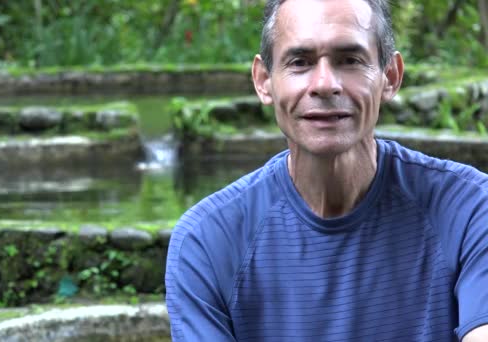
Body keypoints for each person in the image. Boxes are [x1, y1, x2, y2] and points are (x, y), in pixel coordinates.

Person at [165, 0, 488, 340]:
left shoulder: (468, 210)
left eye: (349, 60)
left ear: (390, 77)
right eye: (300, 62)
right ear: (264, 81)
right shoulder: (208, 241)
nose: (324, 83)